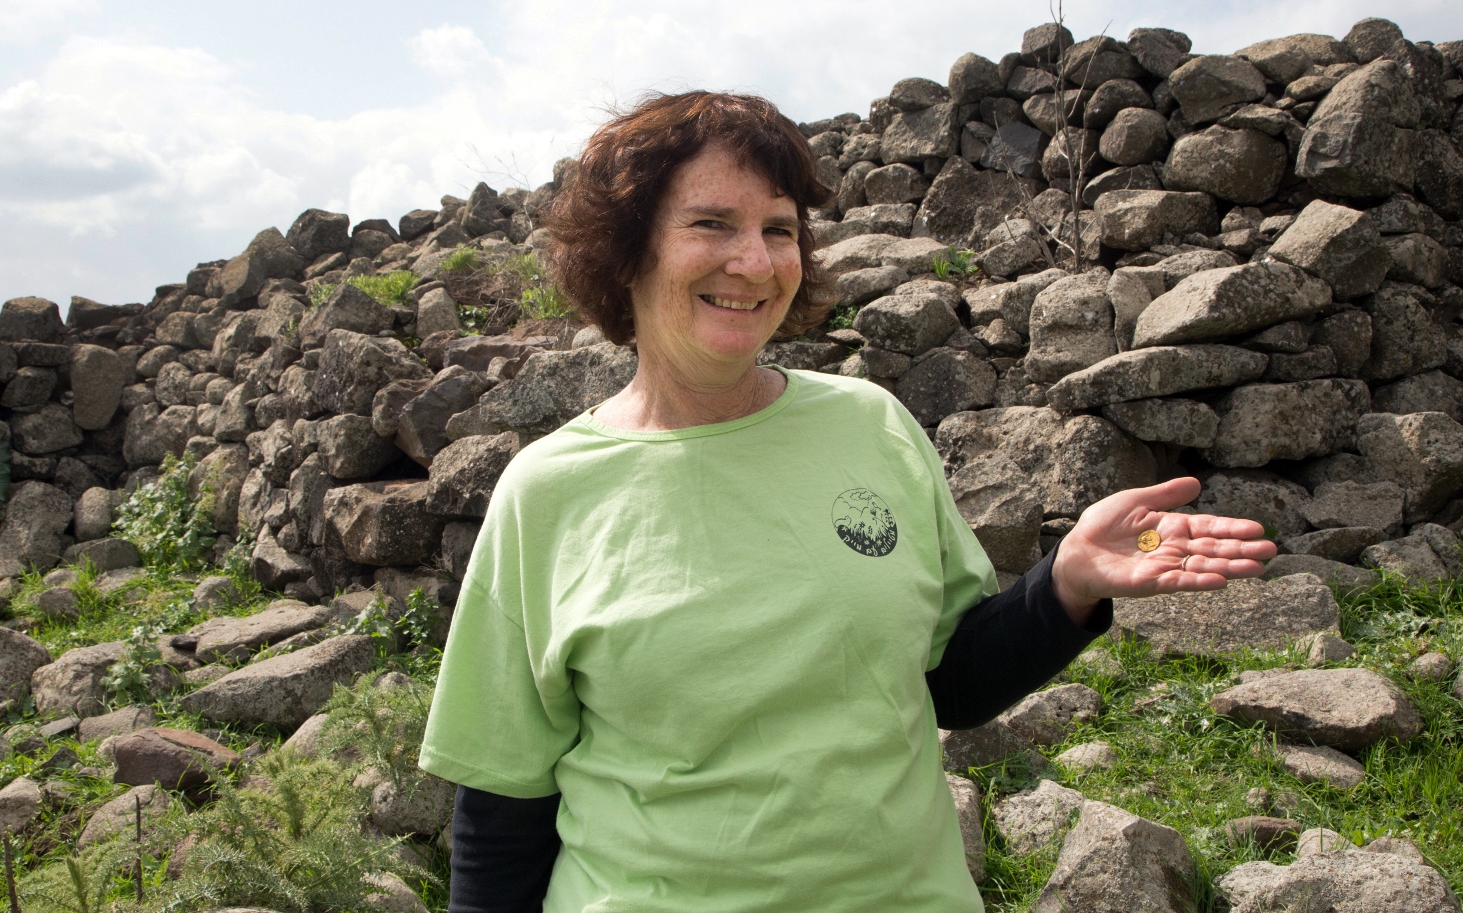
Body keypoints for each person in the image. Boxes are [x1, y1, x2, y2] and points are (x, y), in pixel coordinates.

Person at [418, 91, 1275, 913]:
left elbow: (947, 683)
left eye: (778, 230)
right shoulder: (550, 492)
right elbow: (500, 809)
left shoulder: (870, 427)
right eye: (711, 223)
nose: (753, 262)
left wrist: (1066, 584)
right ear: (626, 250)